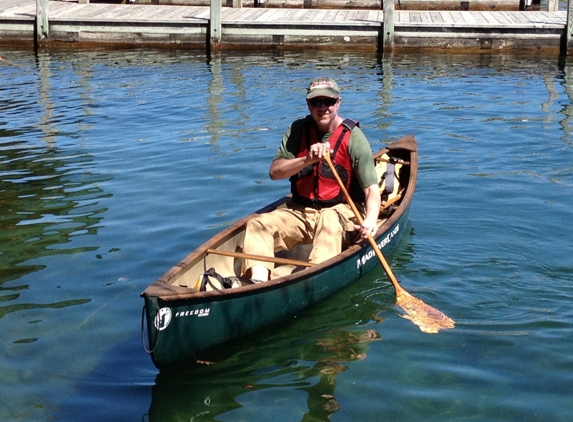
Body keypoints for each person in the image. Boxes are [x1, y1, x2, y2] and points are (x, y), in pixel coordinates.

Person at [242, 77, 381, 282]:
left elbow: (371, 191)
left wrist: (370, 221)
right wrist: (306, 160)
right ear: (308, 104)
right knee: (257, 224)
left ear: (338, 103)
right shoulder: (298, 130)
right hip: (300, 211)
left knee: (328, 219)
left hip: (342, 212)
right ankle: (257, 282)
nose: (322, 107)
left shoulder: (354, 137)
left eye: (328, 101)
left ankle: (312, 280)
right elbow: (275, 173)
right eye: (316, 102)